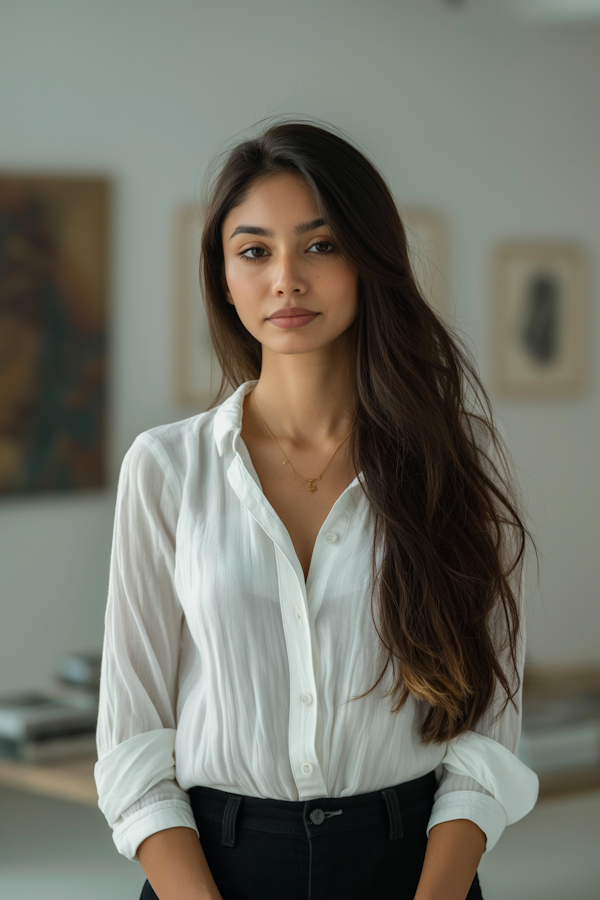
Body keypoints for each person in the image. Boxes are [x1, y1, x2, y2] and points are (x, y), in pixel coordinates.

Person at [95, 119, 539, 900]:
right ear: (224, 277)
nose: (286, 280)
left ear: (371, 261)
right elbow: (134, 744)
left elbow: (486, 742)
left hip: (412, 866)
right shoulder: (165, 467)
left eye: (321, 245)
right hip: (214, 869)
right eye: (255, 250)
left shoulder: (454, 462)